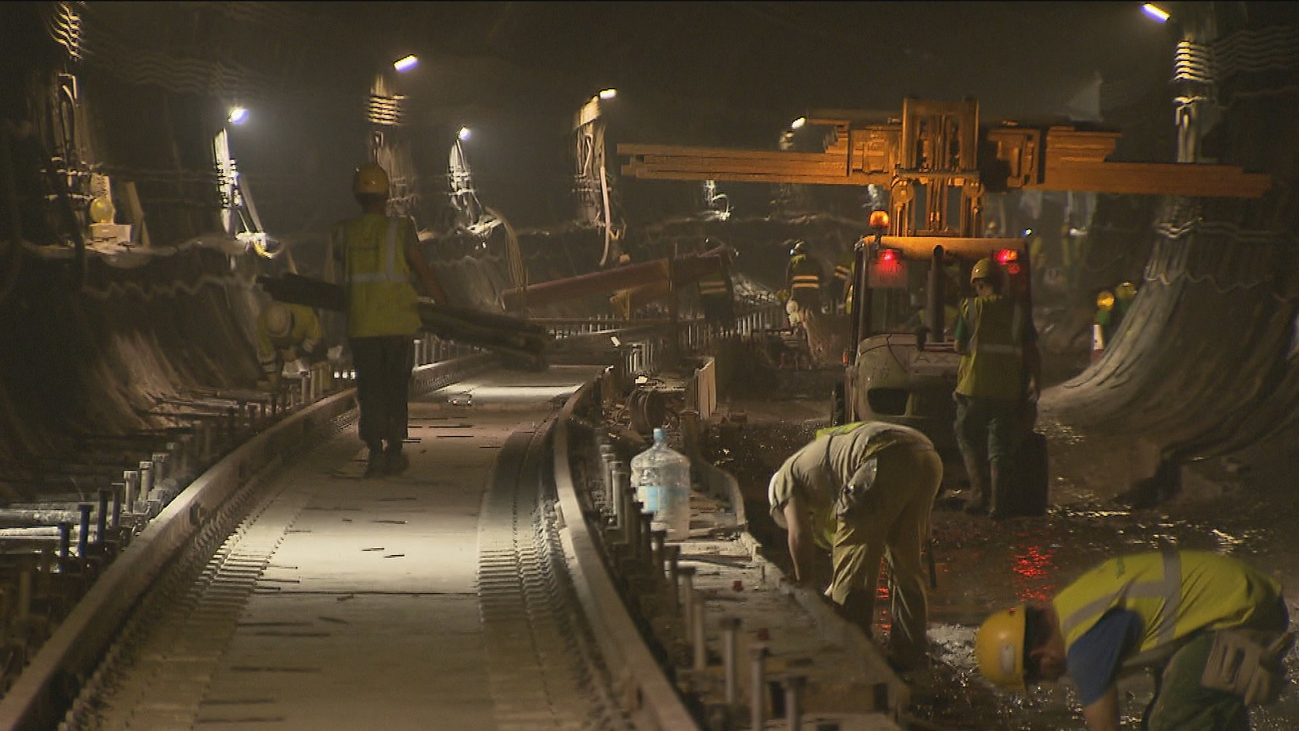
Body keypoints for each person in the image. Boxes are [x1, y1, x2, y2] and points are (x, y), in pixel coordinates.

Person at [976, 549, 1292, 731]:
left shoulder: (1084, 646)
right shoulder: (1071, 606)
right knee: (1184, 704)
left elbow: (1104, 727)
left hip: (1245, 612)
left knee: (1172, 720)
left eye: (1039, 679)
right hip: (1235, 603)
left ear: (1038, 657)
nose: (1051, 681)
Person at [767, 421, 944, 669]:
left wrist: (805, 588)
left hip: (883, 456)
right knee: (905, 561)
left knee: (854, 551)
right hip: (926, 456)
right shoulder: (817, 462)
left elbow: (799, 535)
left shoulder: (784, 480)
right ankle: (910, 653)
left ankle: (851, 652)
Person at [331, 162, 448, 478]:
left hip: (363, 326)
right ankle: (395, 451)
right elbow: (424, 272)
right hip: (399, 325)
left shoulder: (343, 232)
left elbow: (338, 277)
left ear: (357, 196)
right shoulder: (401, 230)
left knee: (370, 389)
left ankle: (374, 454)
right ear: (387, 195)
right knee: (396, 387)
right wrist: (445, 308)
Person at [952, 257, 1040, 518]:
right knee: (998, 444)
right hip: (1006, 388)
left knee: (966, 433)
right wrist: (1036, 381)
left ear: (978, 284)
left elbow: (958, 346)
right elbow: (1031, 350)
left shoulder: (971, 308)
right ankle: (998, 504)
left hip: (974, 386)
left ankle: (979, 495)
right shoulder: (1017, 311)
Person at [257, 302, 323, 389]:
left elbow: (315, 338)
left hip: (303, 340)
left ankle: (320, 386)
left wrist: (297, 353)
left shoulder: (305, 315)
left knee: (319, 358)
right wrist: (273, 381)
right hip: (278, 346)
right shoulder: (263, 324)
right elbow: (266, 354)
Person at [785, 240, 823, 315]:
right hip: (813, 294)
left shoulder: (793, 261)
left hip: (798, 294)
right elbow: (822, 278)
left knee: (794, 313)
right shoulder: (815, 262)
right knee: (816, 314)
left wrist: (789, 292)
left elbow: (788, 279)